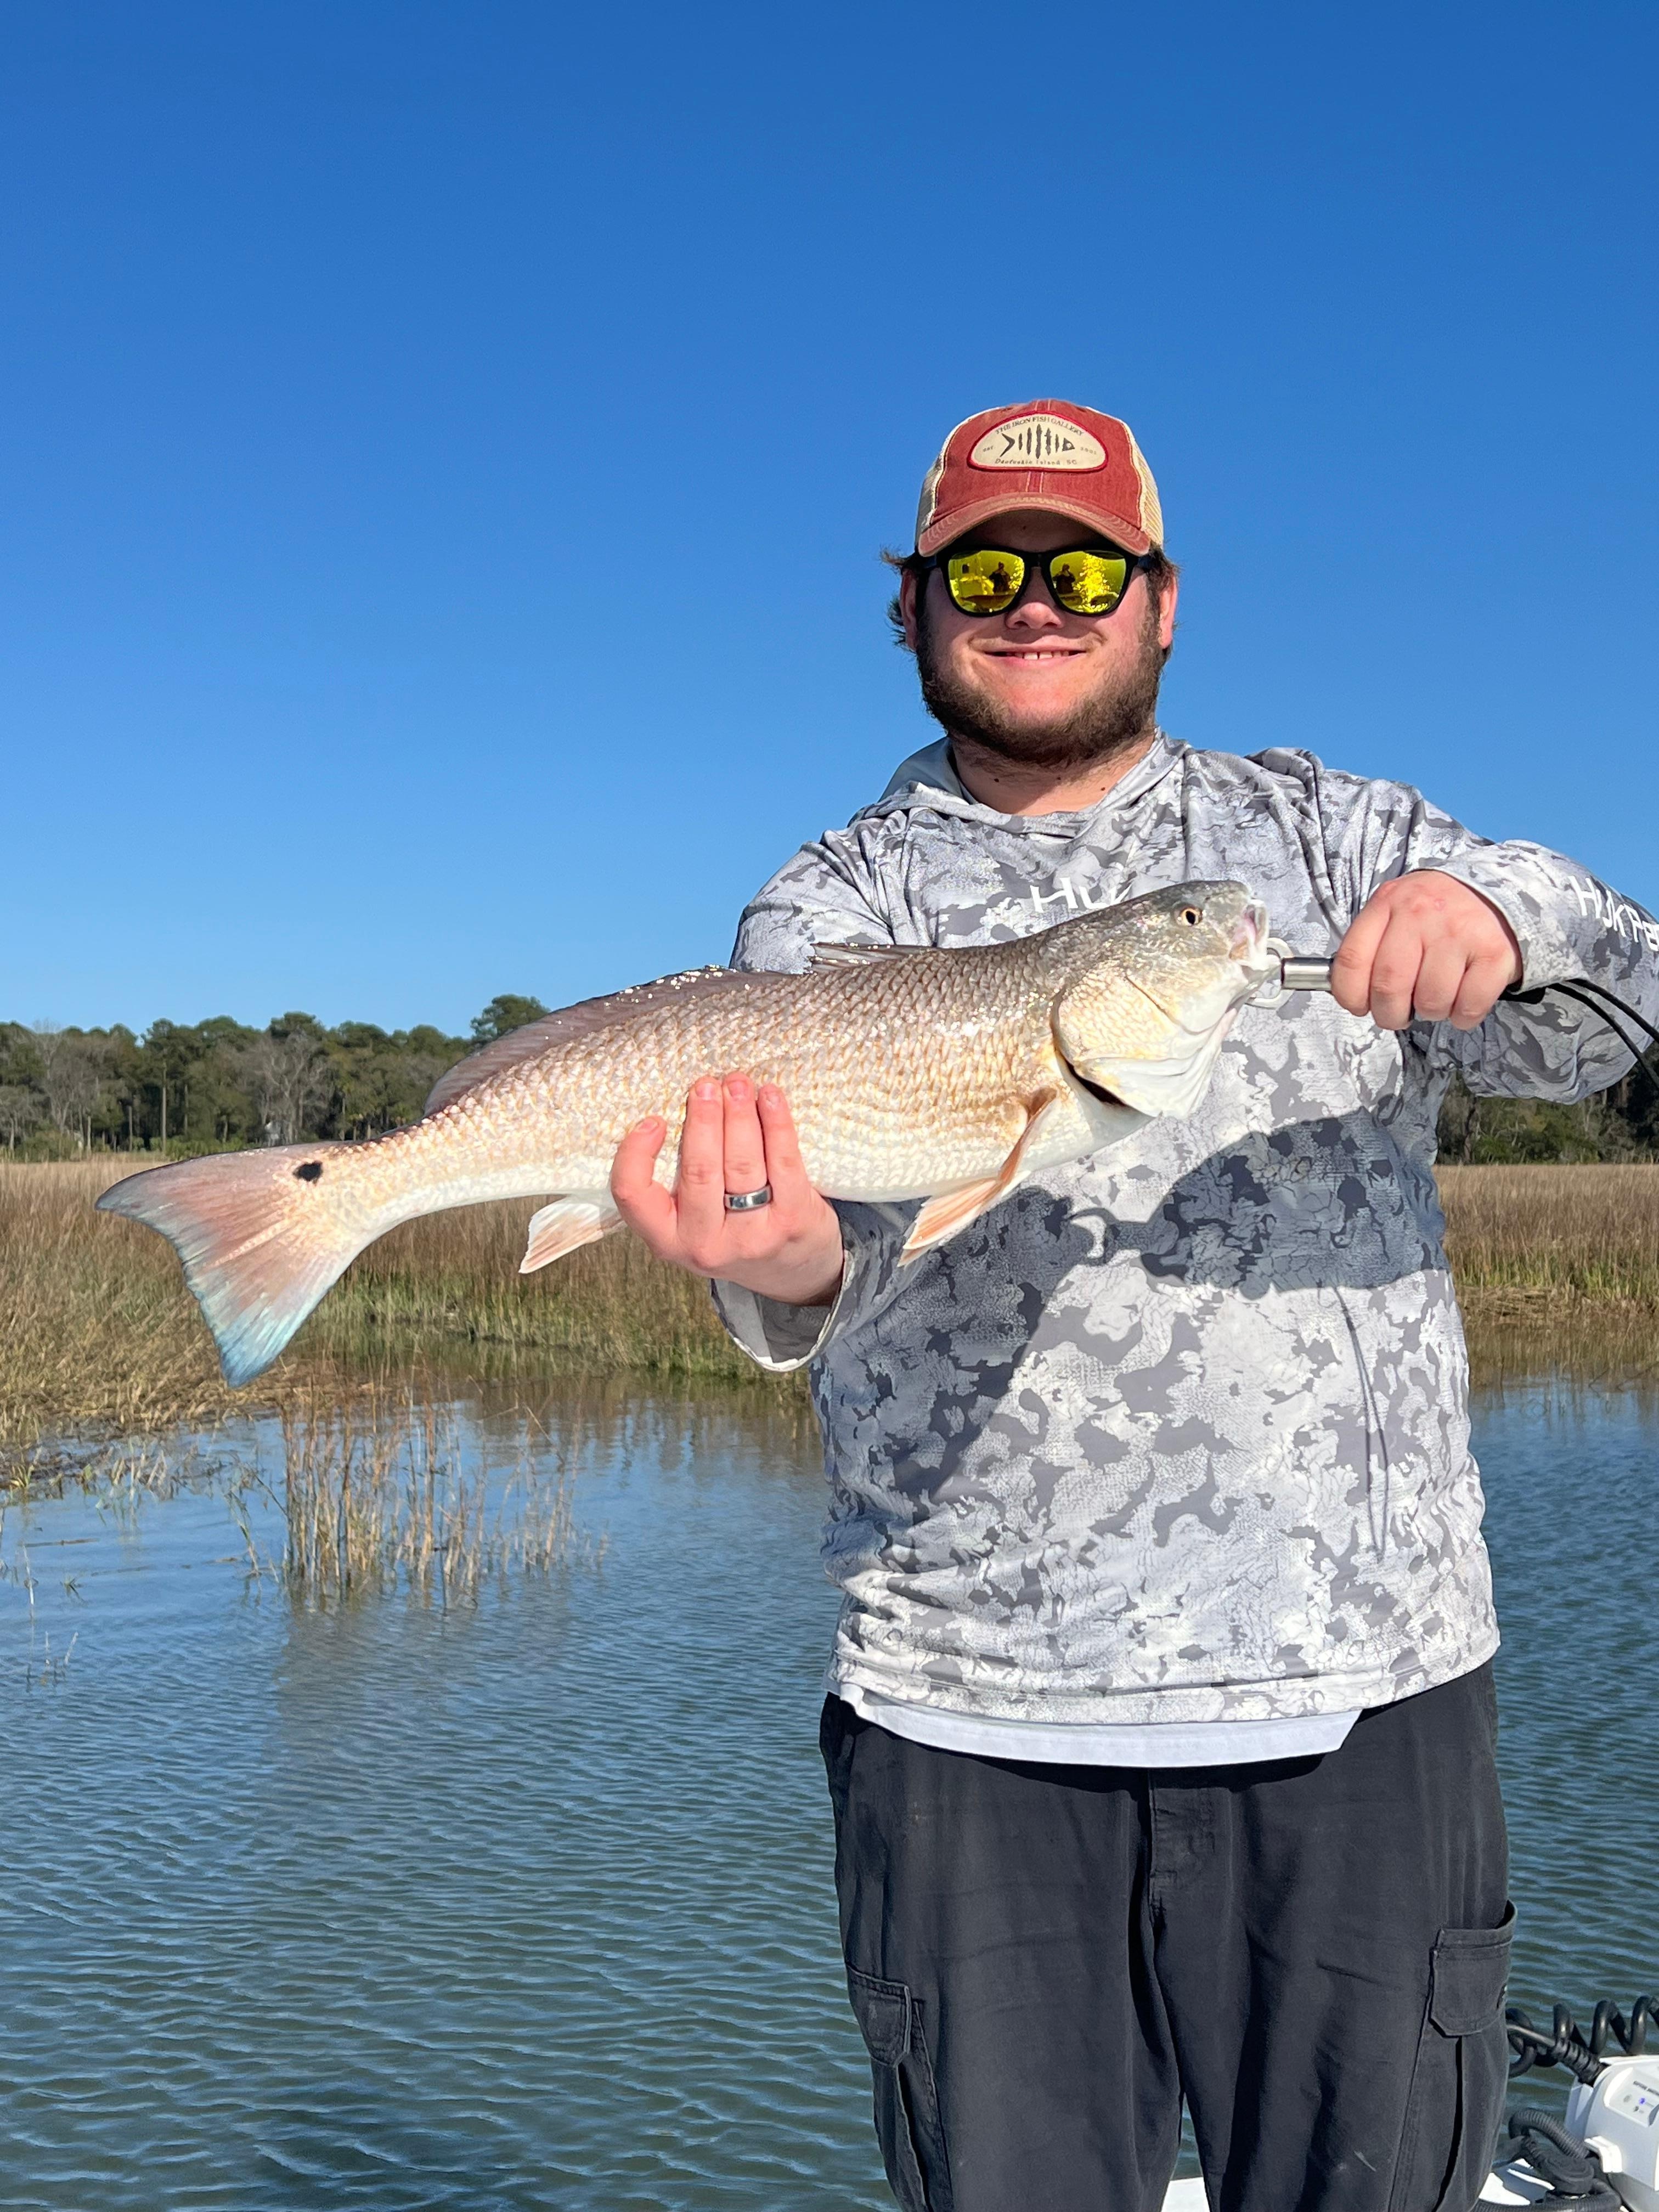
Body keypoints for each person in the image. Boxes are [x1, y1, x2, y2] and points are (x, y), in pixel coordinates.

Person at [609, 399, 1659, 2212]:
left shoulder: (1328, 831)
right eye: (981, 573)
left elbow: (1620, 1006)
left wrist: (1501, 913)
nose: (1034, 603)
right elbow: (816, 1263)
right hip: (967, 1717)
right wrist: (771, 1266)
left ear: (1163, 601)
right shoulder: (833, 906)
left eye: (1083, 569)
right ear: (911, 609)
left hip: (1364, 1701)